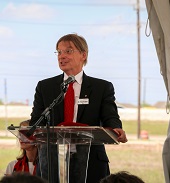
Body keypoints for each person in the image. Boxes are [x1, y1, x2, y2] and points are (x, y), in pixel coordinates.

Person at [29, 33, 128, 183]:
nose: (61, 56)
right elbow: (36, 121)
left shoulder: (101, 87)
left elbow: (110, 117)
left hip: (91, 162)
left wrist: (116, 128)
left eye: (68, 51)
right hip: (52, 161)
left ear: (83, 55)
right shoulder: (45, 87)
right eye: (59, 52)